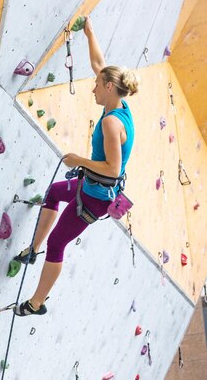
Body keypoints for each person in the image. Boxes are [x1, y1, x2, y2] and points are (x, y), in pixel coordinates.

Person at [14, 16, 138, 316]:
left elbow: (112, 168)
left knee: (58, 244)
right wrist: (90, 34)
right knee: (54, 192)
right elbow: (99, 64)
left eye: (97, 85)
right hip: (90, 185)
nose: (93, 88)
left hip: (95, 198)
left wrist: (78, 160)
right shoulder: (119, 104)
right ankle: (32, 250)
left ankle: (36, 303)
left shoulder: (110, 123)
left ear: (109, 87)